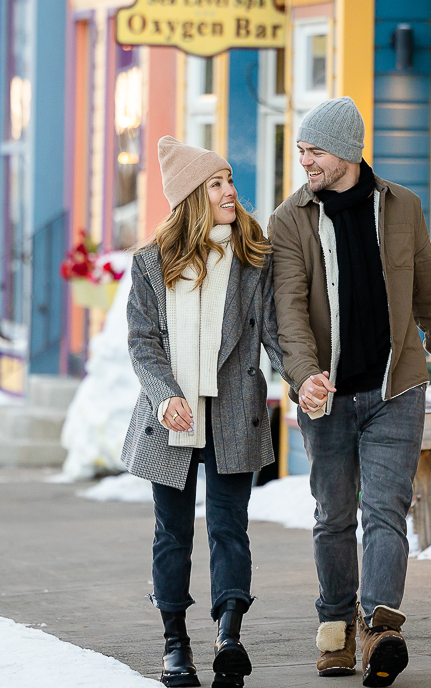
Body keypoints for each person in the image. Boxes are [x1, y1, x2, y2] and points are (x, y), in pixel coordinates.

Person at [268, 97, 431, 685]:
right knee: (334, 514)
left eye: (314, 151)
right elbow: (288, 312)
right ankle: (335, 624)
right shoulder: (290, 220)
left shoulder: (402, 206)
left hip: (396, 387)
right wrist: (305, 376)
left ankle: (381, 628)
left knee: (386, 510)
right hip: (326, 396)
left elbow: (429, 287)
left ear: (347, 152)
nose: (304, 161)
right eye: (301, 150)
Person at [123, 136, 287, 688]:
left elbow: (274, 334)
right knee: (172, 533)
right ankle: (174, 644)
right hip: (173, 415)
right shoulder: (151, 264)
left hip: (235, 411)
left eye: (230, 181)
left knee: (228, 529)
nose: (230, 192)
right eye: (217, 183)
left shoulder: (252, 260)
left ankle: (229, 636)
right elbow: (142, 341)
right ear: (193, 195)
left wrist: (302, 379)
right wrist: (165, 394)